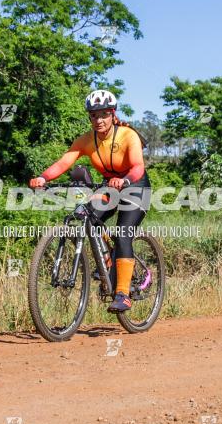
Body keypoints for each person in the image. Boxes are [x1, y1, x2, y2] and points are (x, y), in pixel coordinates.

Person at [29, 89, 150, 313]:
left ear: (113, 114)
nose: (98, 120)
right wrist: (43, 177)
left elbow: (137, 167)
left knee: (124, 233)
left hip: (135, 185)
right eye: (93, 115)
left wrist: (123, 181)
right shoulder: (86, 140)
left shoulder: (127, 135)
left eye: (103, 114)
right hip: (109, 185)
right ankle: (109, 260)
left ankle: (123, 294)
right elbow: (63, 162)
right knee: (86, 214)